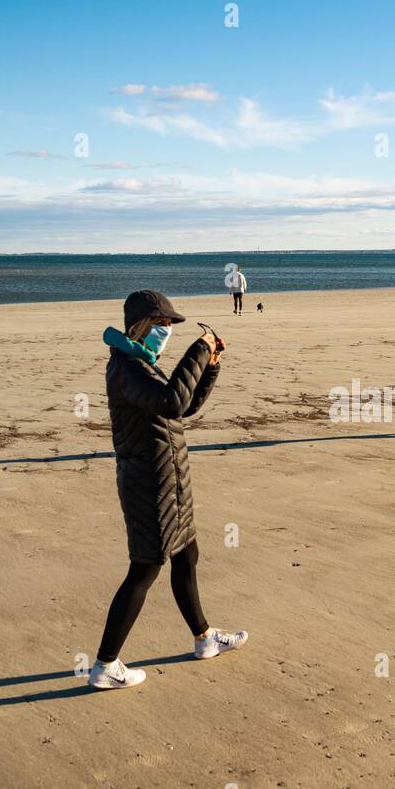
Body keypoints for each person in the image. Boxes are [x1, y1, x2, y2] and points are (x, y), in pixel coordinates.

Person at [88, 290, 248, 690]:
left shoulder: (143, 363)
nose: (166, 331)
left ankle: (204, 638)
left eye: (170, 326)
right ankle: (105, 664)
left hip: (170, 480)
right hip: (149, 484)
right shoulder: (127, 367)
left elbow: (184, 405)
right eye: (161, 324)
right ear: (141, 325)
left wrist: (210, 365)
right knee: (145, 568)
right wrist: (198, 348)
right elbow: (172, 401)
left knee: (186, 555)